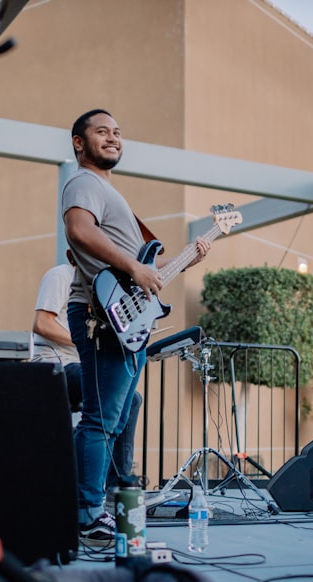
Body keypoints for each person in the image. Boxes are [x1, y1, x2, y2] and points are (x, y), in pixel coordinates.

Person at [61, 109, 211, 545]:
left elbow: (145, 272)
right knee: (101, 418)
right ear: (79, 143)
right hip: (100, 317)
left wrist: (186, 256)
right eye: (102, 131)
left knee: (118, 413)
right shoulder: (84, 182)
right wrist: (134, 266)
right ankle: (87, 515)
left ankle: (99, 504)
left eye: (118, 133)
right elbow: (78, 230)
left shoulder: (107, 191)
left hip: (119, 316)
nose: (113, 138)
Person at [31, 248, 143, 495]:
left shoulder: (97, 290)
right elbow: (42, 323)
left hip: (79, 365)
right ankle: (112, 487)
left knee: (131, 398)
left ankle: (116, 487)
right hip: (52, 365)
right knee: (123, 397)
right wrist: (86, 342)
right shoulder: (61, 275)